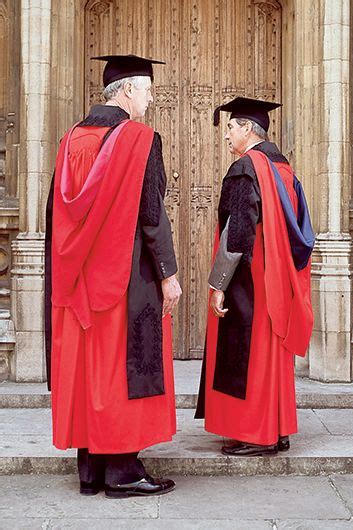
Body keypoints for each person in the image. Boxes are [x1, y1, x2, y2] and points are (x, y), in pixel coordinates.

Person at [45, 54, 182, 497]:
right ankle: (123, 471)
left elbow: (55, 213)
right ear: (125, 90)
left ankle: (91, 470)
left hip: (78, 279)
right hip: (126, 279)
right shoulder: (140, 140)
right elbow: (151, 213)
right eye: (146, 90)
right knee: (124, 371)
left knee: (89, 370)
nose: (150, 98)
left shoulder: (70, 141)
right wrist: (168, 274)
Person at [195, 97, 315, 456]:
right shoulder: (284, 169)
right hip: (277, 277)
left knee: (248, 353)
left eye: (231, 127)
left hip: (249, 277)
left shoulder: (245, 168)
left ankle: (256, 433)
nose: (227, 135)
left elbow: (238, 234)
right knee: (271, 351)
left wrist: (218, 285)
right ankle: (276, 430)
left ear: (248, 128)